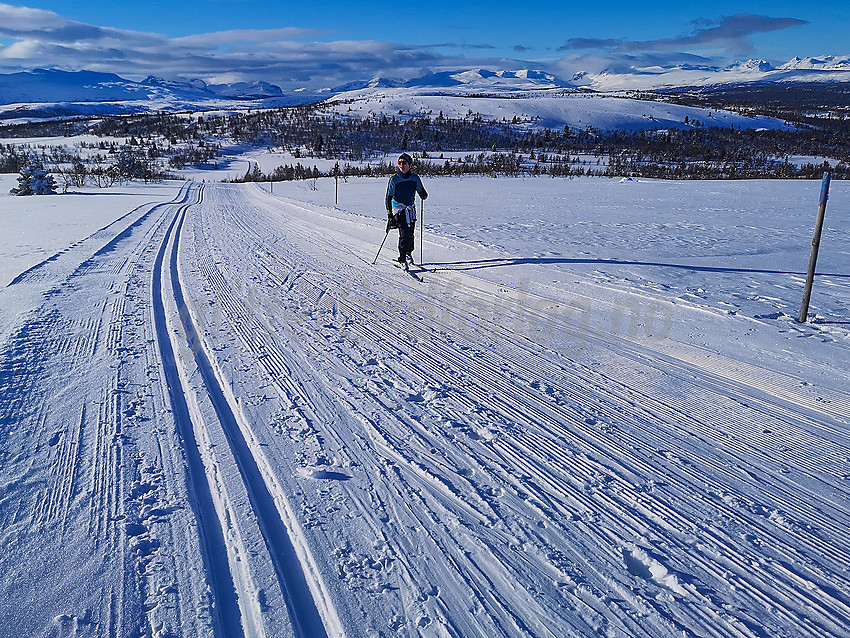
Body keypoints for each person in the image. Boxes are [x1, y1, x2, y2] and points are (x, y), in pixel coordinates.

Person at [385, 153, 428, 265]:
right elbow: (388, 198)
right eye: (399, 163)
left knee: (410, 232)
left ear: (409, 164)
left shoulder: (415, 178)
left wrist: (423, 194)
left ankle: (409, 253)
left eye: (404, 163)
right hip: (399, 209)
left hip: (410, 209)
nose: (402, 165)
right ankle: (402, 258)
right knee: (404, 233)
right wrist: (390, 215)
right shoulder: (394, 180)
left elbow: (421, 190)